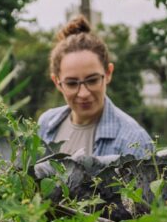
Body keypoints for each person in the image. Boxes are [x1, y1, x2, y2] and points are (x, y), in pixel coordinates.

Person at [38, 16, 154, 157]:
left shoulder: (133, 140)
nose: (83, 93)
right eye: (72, 83)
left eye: (92, 80)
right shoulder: (46, 125)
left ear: (108, 73)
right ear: (57, 82)